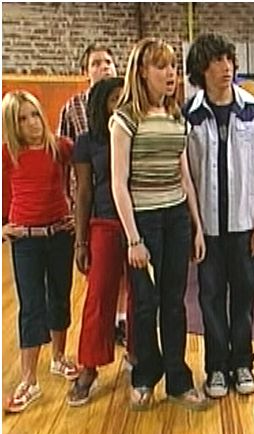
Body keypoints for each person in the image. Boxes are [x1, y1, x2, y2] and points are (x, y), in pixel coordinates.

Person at [110, 37, 208, 411]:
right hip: (144, 222)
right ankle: (144, 376)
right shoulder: (124, 119)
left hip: (176, 217)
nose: (171, 74)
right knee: (145, 304)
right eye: (161, 66)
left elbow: (185, 176)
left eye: (173, 66)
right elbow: (119, 183)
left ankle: (178, 379)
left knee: (174, 303)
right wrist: (134, 239)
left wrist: (196, 225)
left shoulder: (175, 116)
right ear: (141, 72)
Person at [183, 33, 254, 398]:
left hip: (245, 225)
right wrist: (193, 226)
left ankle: (242, 363)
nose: (225, 68)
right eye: (216, 61)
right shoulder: (188, 115)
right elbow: (184, 174)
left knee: (244, 296)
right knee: (210, 299)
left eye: (228, 60)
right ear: (201, 69)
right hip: (208, 227)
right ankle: (216, 368)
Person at [2, 91, 79, 413]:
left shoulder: (60, 147)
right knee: (31, 305)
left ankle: (58, 358)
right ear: (12, 124)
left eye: (34, 114)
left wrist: (79, 213)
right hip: (26, 240)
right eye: (22, 118)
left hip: (60, 234)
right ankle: (28, 379)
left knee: (60, 296)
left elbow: (86, 175)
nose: (32, 123)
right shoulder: (8, 154)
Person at [67, 76, 127, 406]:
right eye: (113, 99)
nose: (120, 104)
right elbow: (84, 192)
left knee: (142, 298)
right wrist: (81, 241)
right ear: (100, 104)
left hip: (140, 222)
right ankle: (88, 368)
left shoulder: (135, 132)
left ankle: (138, 356)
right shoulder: (87, 142)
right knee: (98, 299)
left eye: (124, 98)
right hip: (104, 223)